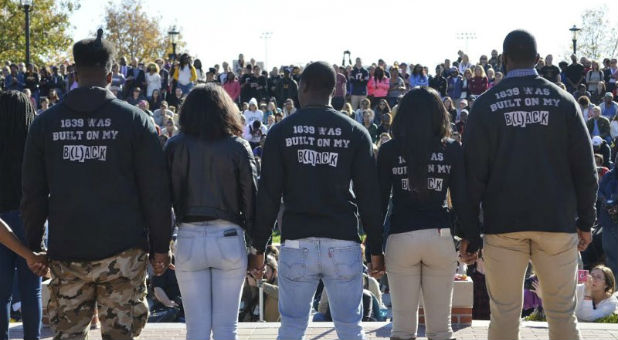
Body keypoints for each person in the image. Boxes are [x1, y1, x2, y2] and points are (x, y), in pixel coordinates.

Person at [21, 29, 172, 340]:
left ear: (75, 71)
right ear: (112, 73)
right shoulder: (135, 120)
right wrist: (160, 247)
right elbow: (155, 193)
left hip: (67, 251)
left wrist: (34, 246)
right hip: (123, 253)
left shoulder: (45, 124)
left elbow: (33, 195)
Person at [463, 30, 598, 340]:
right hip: (556, 223)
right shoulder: (563, 102)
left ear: (503, 59)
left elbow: (472, 175)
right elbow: (586, 170)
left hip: (503, 225)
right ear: (538, 60)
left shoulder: (485, 105)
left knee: (505, 316)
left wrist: (470, 231)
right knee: (562, 314)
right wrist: (586, 222)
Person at [251, 61, 385, 340]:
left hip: (298, 241)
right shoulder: (355, 132)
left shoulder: (281, 132)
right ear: (333, 90)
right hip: (342, 240)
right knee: (350, 328)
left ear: (302, 88)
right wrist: (375, 247)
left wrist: (259, 247)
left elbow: (268, 196)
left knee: (291, 327)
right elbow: (368, 197)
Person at [378, 87, 479, 340]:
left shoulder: (389, 150)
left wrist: (373, 247)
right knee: (441, 329)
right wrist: (471, 237)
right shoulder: (451, 149)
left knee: (401, 327)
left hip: (401, 237)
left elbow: (378, 202)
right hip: (439, 235)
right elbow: (462, 199)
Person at [164, 83, 258, 339]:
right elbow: (251, 200)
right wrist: (257, 247)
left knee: (196, 328)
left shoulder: (174, 146)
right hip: (228, 236)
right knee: (227, 328)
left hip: (188, 236)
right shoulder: (238, 147)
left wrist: (161, 246)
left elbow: (162, 201)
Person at [0, 91, 43, 340]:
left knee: (1, 292)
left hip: (1, 223)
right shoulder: (34, 143)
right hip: (30, 219)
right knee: (31, 290)